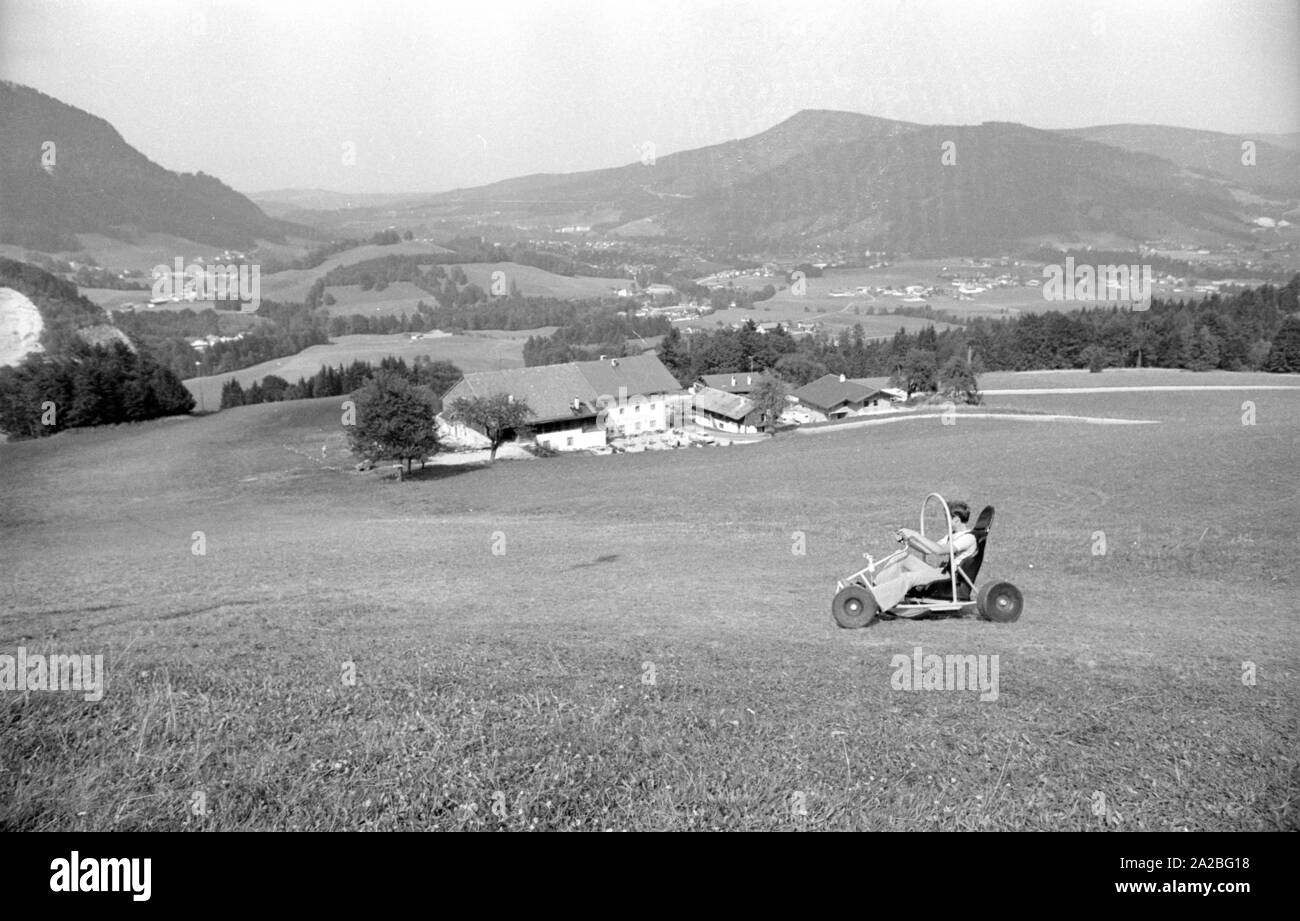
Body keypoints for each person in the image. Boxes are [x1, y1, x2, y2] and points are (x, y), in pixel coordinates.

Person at [869, 501, 977, 610]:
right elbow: (928, 550)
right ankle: (873, 588)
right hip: (941, 571)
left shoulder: (968, 538)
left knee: (909, 577)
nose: (945, 521)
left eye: (946, 517)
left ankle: (873, 600)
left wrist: (915, 534)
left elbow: (940, 551)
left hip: (950, 576)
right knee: (900, 555)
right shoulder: (951, 535)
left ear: (956, 519)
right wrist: (906, 540)